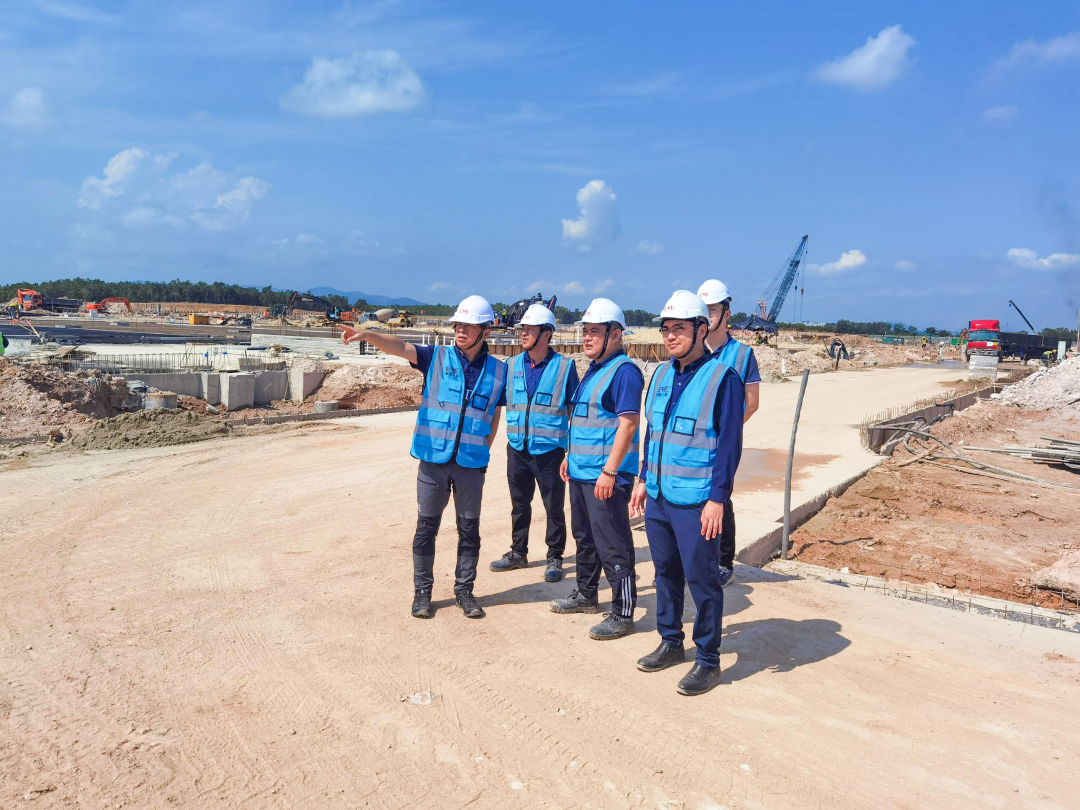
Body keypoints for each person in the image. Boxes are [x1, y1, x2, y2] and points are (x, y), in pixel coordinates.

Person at [339, 295, 507, 621]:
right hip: (433, 460)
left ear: (485, 331)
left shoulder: (499, 371)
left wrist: (482, 448)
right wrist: (368, 334)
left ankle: (464, 592)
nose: (460, 330)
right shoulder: (437, 357)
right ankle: (423, 593)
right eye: (458, 325)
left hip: (471, 464)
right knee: (426, 528)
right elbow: (400, 347)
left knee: (469, 530)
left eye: (468, 326)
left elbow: (494, 416)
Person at [630, 290, 744, 696]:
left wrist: (718, 499)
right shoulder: (661, 375)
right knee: (665, 573)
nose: (670, 336)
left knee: (703, 580)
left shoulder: (723, 379)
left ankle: (708, 661)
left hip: (697, 500)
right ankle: (671, 642)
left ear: (701, 328)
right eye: (665, 329)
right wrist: (643, 478)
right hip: (660, 496)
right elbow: (653, 433)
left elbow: (729, 445)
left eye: (678, 328)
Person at [550, 298, 642, 640]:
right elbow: (586, 420)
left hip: (606, 477)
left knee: (613, 542)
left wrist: (610, 471)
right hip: (581, 472)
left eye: (594, 332)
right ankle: (587, 594)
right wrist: (570, 456)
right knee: (585, 538)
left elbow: (628, 424)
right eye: (585, 331)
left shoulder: (624, 372)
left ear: (615, 335)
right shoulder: (594, 369)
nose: (586, 338)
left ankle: (623, 612)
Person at [490, 304, 580, 582]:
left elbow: (573, 413)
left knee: (554, 507)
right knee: (519, 504)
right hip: (517, 448)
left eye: (529, 329)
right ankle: (518, 552)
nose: (523, 334)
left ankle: (555, 556)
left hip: (550, 452)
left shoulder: (565, 367)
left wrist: (571, 451)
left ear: (546, 333)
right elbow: (500, 406)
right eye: (523, 329)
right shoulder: (512, 365)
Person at [697, 279, 762, 589]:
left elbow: (753, 403)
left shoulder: (742, 355)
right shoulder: (691, 352)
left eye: (713, 309)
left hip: (722, 443)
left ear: (726, 313)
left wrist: (727, 432)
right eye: (704, 310)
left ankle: (724, 563)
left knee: (721, 497)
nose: (708, 315)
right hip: (692, 443)